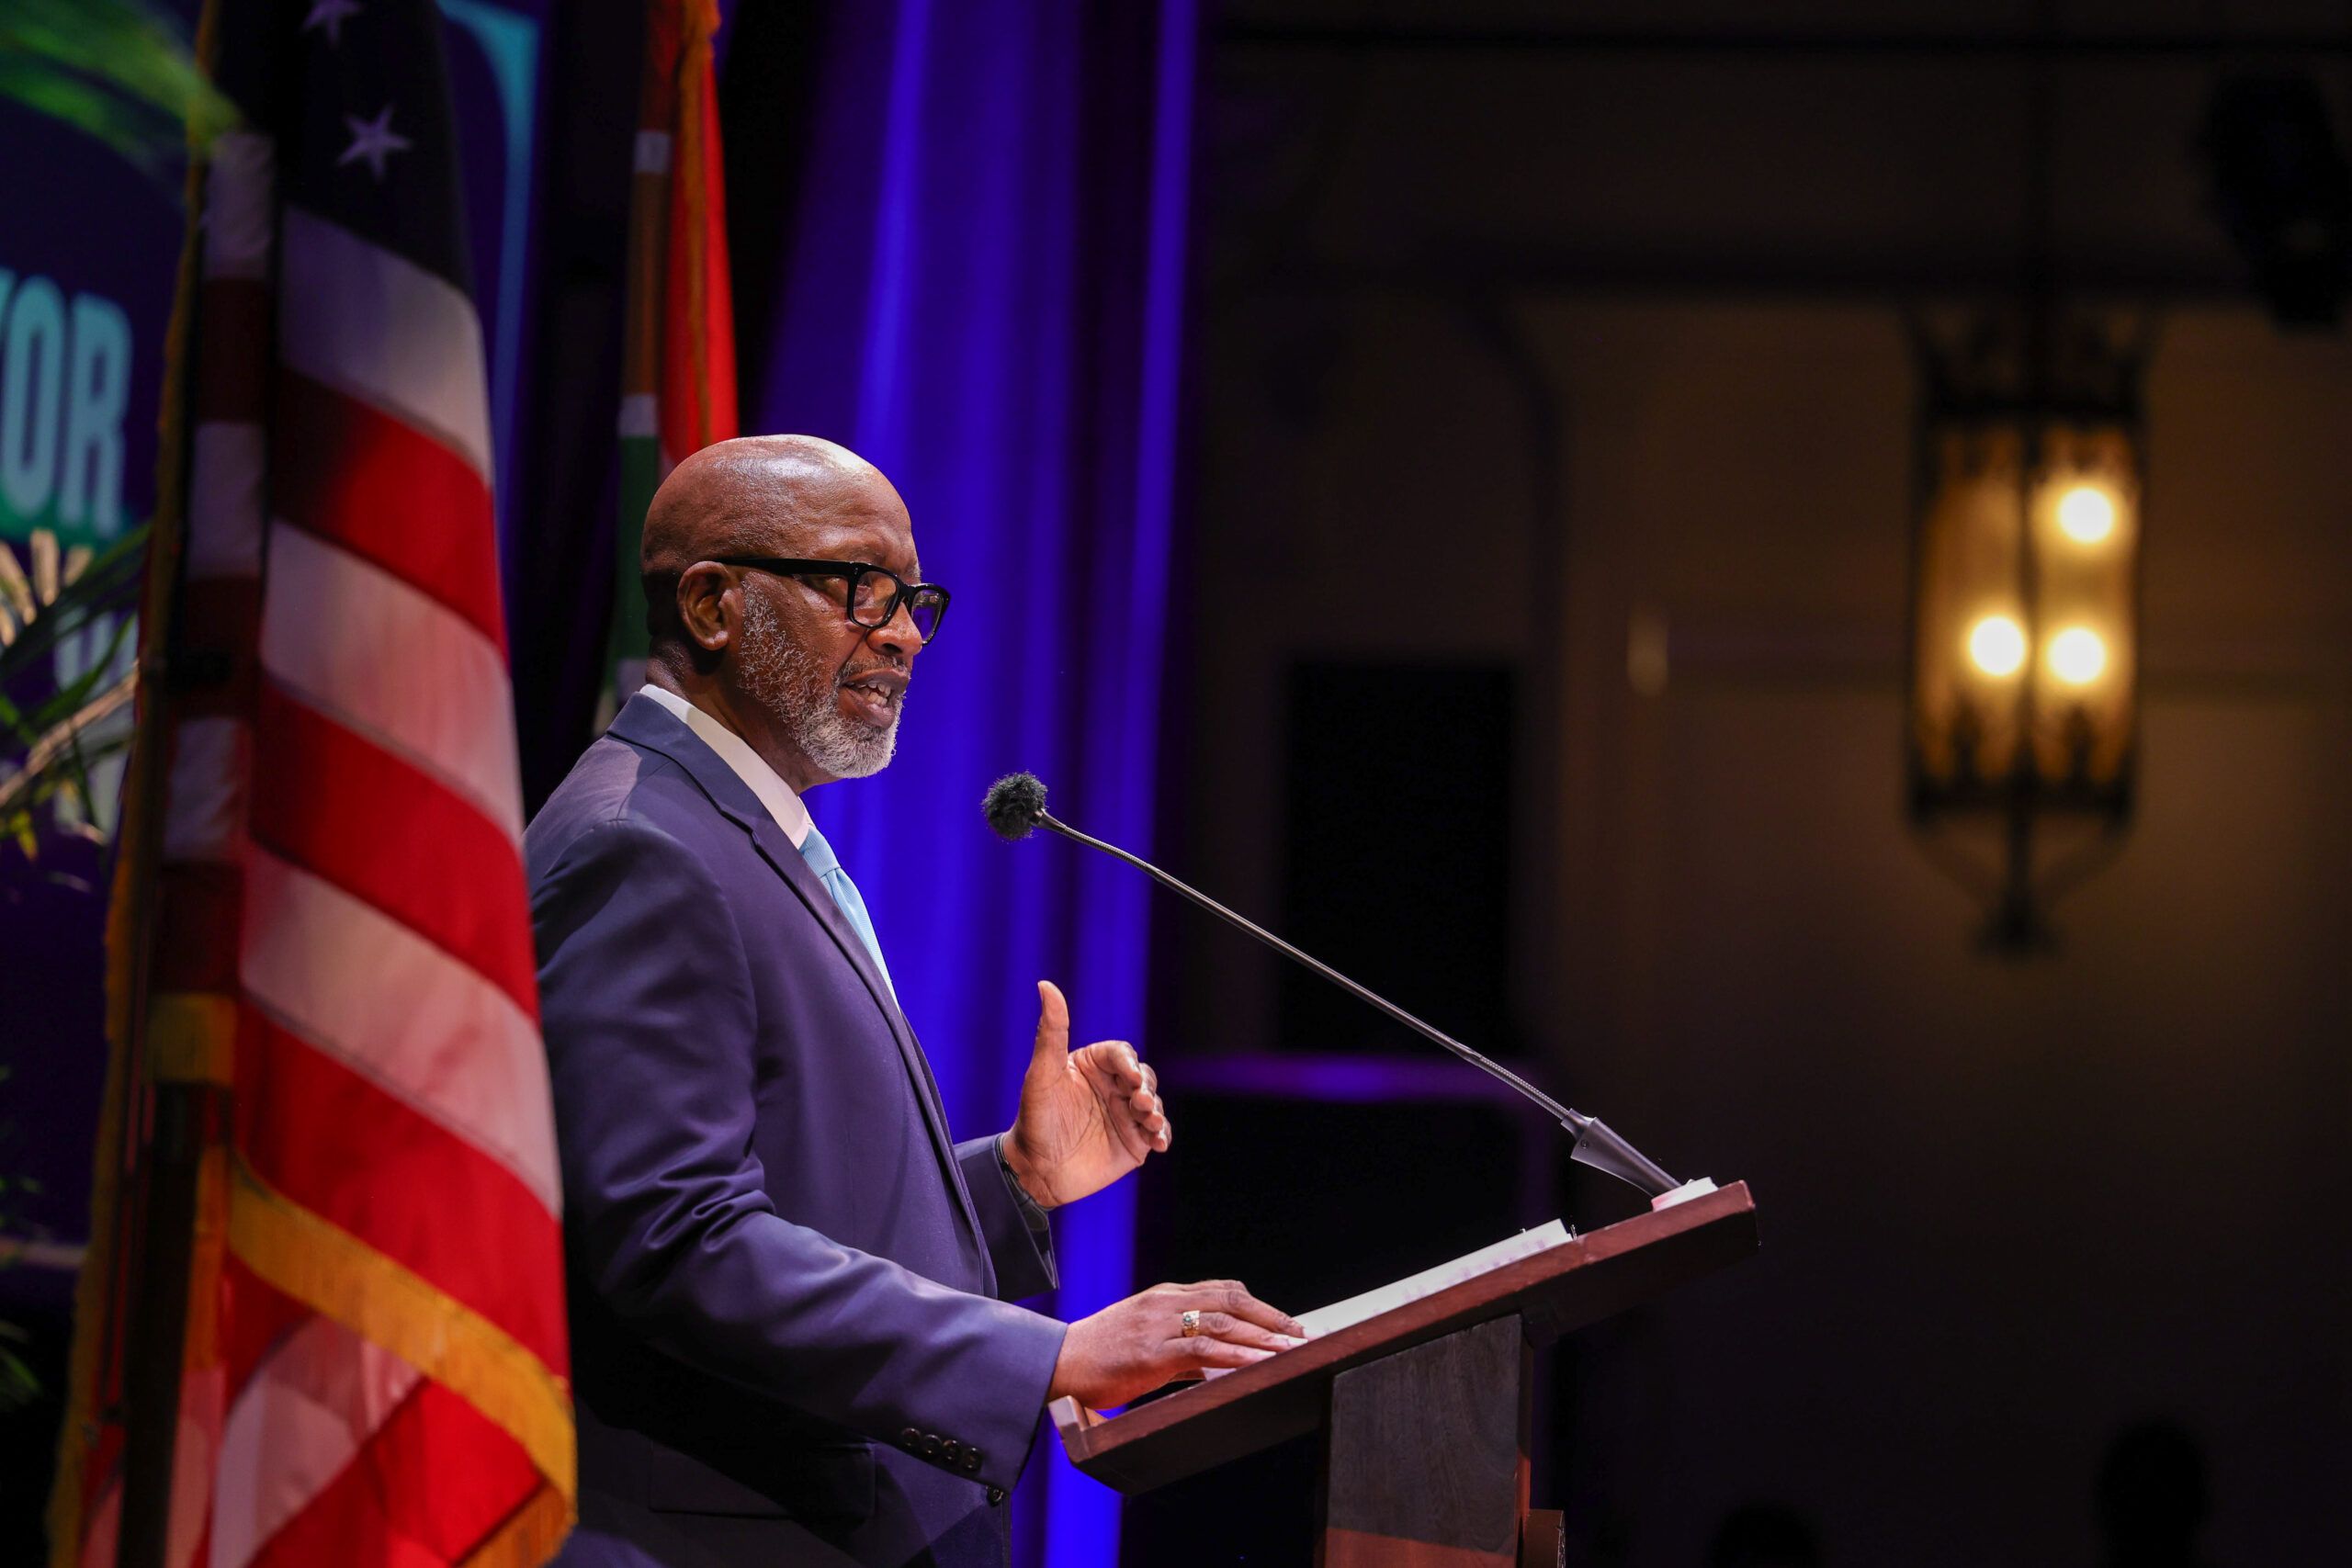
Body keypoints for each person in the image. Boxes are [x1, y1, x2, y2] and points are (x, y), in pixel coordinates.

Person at [526, 435, 1304, 1568]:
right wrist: (1048, 1357)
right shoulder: (642, 847)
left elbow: (792, 1204)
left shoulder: (736, 833)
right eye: (859, 588)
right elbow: (678, 1242)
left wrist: (1015, 1180)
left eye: (912, 599)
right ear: (711, 606)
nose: (901, 634)